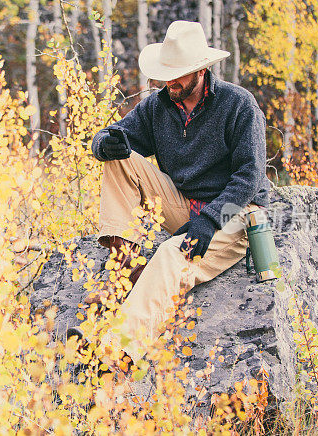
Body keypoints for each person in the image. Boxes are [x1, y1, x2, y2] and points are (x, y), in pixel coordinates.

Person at [69, 20, 270, 374]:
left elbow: (250, 176)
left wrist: (210, 220)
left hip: (235, 214)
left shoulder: (239, 105)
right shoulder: (158, 106)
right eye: (167, 74)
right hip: (183, 205)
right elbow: (114, 135)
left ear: (201, 70)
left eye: (178, 75)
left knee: (170, 255)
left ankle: (117, 355)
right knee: (119, 157)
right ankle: (125, 268)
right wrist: (103, 143)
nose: (170, 82)